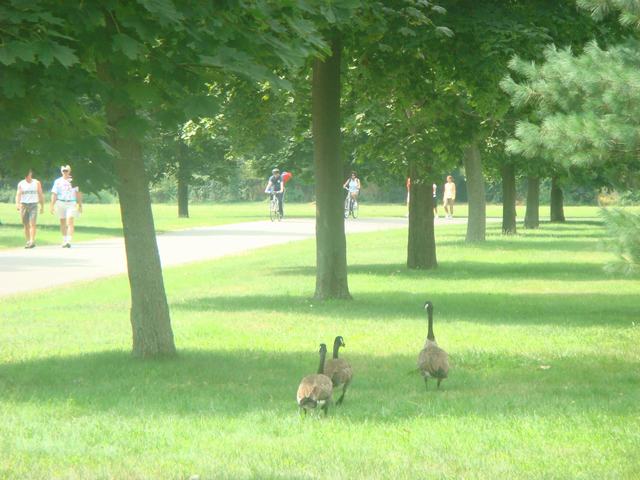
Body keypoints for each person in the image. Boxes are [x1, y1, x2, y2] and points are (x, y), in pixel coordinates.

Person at [50, 164, 83, 248]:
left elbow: (78, 193)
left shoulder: (74, 181)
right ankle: (64, 240)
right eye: (63, 171)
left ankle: (68, 241)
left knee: (70, 221)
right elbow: (54, 193)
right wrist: (52, 205)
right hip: (60, 202)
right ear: (61, 171)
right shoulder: (57, 181)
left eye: (66, 170)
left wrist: (80, 204)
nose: (65, 172)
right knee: (62, 222)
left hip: (71, 203)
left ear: (69, 171)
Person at [15, 168, 44, 248]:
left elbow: (40, 194)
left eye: (28, 173)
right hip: (24, 205)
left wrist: (42, 206)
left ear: (31, 173)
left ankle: (32, 241)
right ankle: (28, 241)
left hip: (33, 204)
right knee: (26, 224)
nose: (27, 175)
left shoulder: (36, 182)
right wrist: (17, 204)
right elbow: (18, 194)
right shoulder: (21, 183)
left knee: (32, 223)